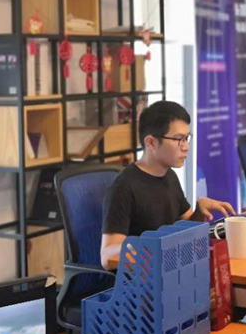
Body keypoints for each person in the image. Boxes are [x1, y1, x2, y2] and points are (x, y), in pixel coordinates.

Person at [100, 101, 234, 269]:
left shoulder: (169, 175)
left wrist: (199, 212)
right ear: (151, 143)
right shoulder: (124, 187)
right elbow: (107, 257)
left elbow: (186, 228)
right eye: (178, 139)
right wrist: (151, 244)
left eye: (187, 138)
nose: (186, 147)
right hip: (142, 278)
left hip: (171, 269)